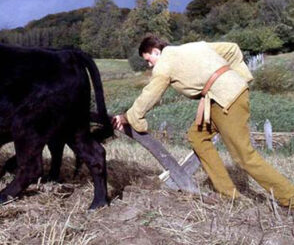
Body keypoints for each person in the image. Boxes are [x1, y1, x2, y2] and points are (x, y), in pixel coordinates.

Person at [112, 35, 294, 208]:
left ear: (155, 51)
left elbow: (150, 94)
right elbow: (232, 49)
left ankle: (290, 198)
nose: (149, 64)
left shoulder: (164, 63)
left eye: (148, 59)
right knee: (197, 136)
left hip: (226, 100)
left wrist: (128, 117)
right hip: (222, 98)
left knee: (244, 156)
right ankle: (227, 193)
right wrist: (238, 78)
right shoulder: (194, 46)